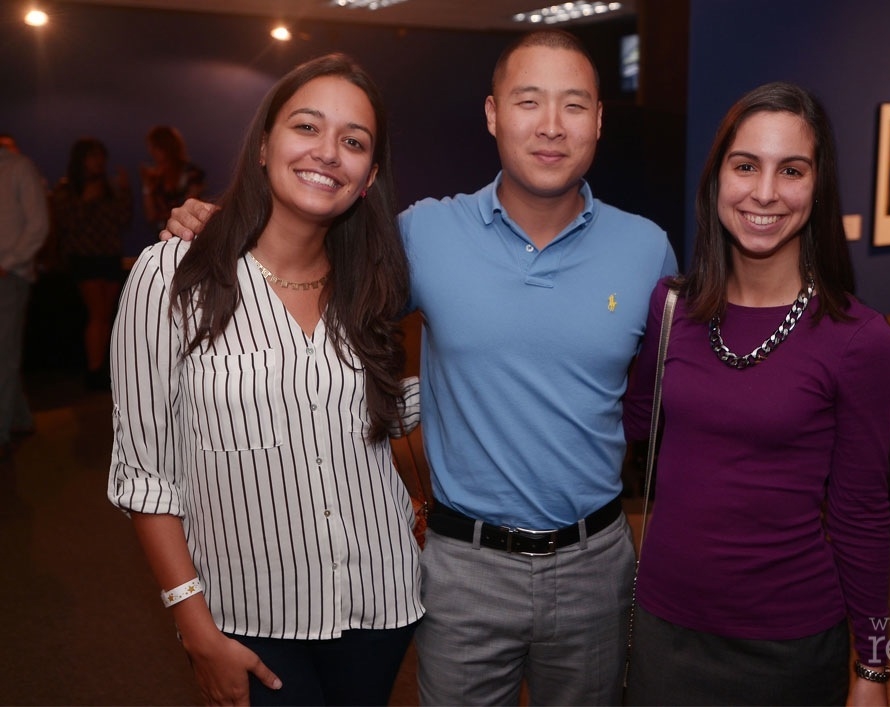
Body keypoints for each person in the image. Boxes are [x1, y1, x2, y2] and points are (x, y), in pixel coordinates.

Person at [163, 29, 677, 706]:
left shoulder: (646, 249)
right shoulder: (425, 233)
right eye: (529, 101)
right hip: (463, 569)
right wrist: (217, 223)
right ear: (493, 114)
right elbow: (312, 264)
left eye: (574, 105)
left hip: (596, 564)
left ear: (599, 120)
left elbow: (661, 397)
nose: (551, 125)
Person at [108, 53, 423, 706]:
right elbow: (144, 473)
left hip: (382, 605)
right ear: (264, 145)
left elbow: (386, 415)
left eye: (354, 142)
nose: (328, 153)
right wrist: (194, 625)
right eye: (307, 127)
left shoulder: (370, 283)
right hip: (249, 620)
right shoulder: (172, 275)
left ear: (367, 178)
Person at [622, 81, 890, 706]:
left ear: (818, 187)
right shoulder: (671, 307)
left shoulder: (861, 340)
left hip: (790, 645)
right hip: (663, 630)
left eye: (792, 170)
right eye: (745, 165)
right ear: (717, 177)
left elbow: (861, 516)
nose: (766, 192)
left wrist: (873, 667)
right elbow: (625, 425)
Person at [49, 138, 132, 390]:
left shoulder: (108, 189)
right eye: (92, 156)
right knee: (97, 314)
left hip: (108, 256)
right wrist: (85, 200)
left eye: (101, 156)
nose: (98, 161)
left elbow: (123, 219)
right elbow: (64, 223)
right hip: (84, 258)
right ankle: (94, 371)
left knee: (107, 316)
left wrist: (125, 191)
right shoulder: (67, 189)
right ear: (81, 160)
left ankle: (101, 368)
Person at [0, 134, 49, 459]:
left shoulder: (18, 168)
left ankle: (2, 431)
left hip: (9, 276)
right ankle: (19, 418)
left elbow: (38, 225)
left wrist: (7, 264)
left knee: (4, 354)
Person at [140, 124, 205, 232]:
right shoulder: (155, 178)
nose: (151, 152)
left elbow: (190, 208)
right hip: (162, 236)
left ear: (167, 147)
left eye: (155, 147)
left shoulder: (191, 174)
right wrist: (147, 187)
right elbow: (150, 216)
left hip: (187, 233)